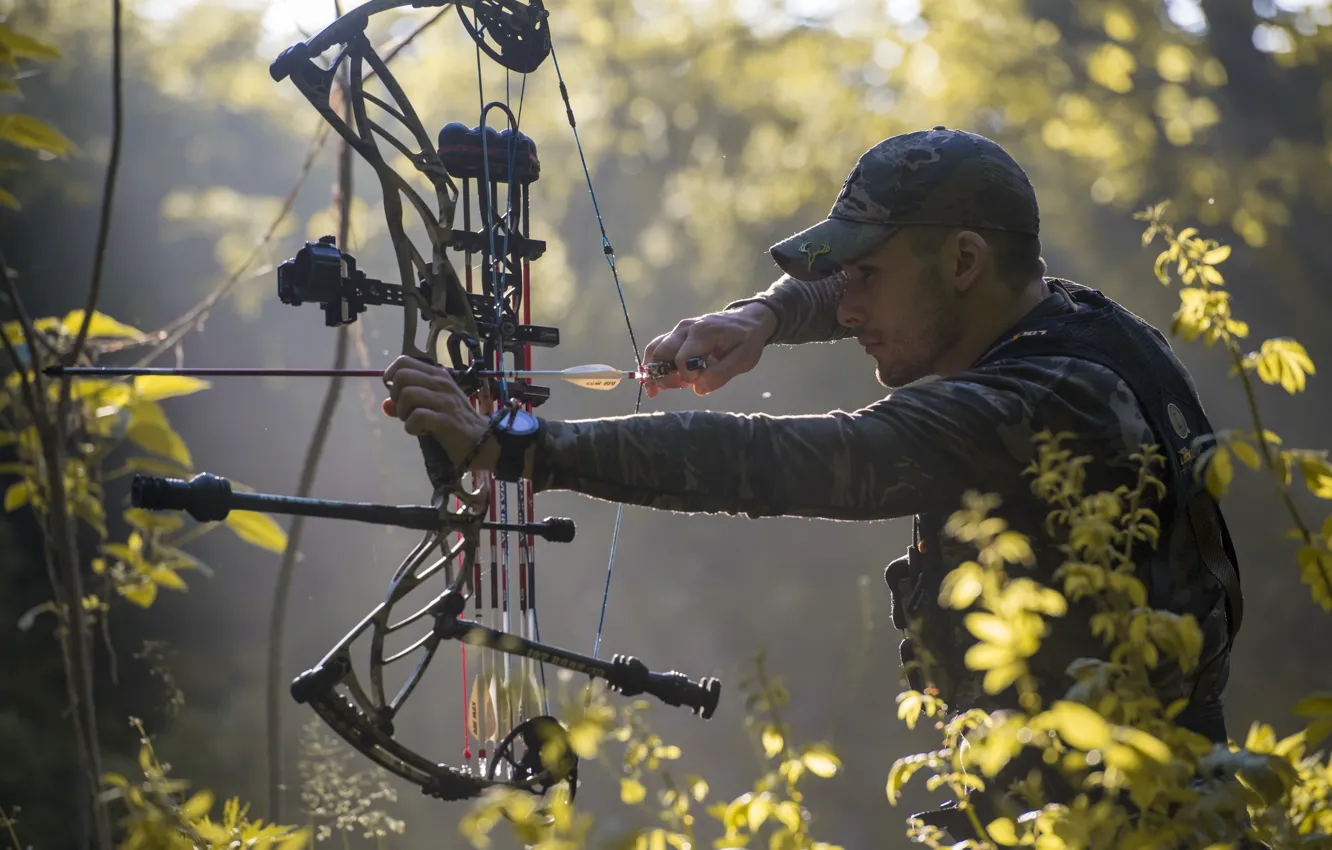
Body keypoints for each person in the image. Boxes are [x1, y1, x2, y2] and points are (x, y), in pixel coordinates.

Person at [381, 127, 1243, 834]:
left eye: (868, 276)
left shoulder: (1041, 401)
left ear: (967, 262)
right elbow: (846, 295)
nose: (851, 306)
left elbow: (777, 461)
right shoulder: (1077, 320)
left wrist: (515, 447)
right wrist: (762, 316)